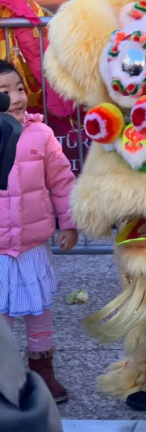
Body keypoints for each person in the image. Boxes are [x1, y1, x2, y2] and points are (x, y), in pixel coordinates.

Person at [0, 60, 77, 403]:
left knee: (38, 308)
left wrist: (70, 222)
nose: (17, 97)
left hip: (32, 243)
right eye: (5, 92)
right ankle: (5, 377)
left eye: (19, 88)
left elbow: (61, 182)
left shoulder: (41, 134)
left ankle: (42, 370)